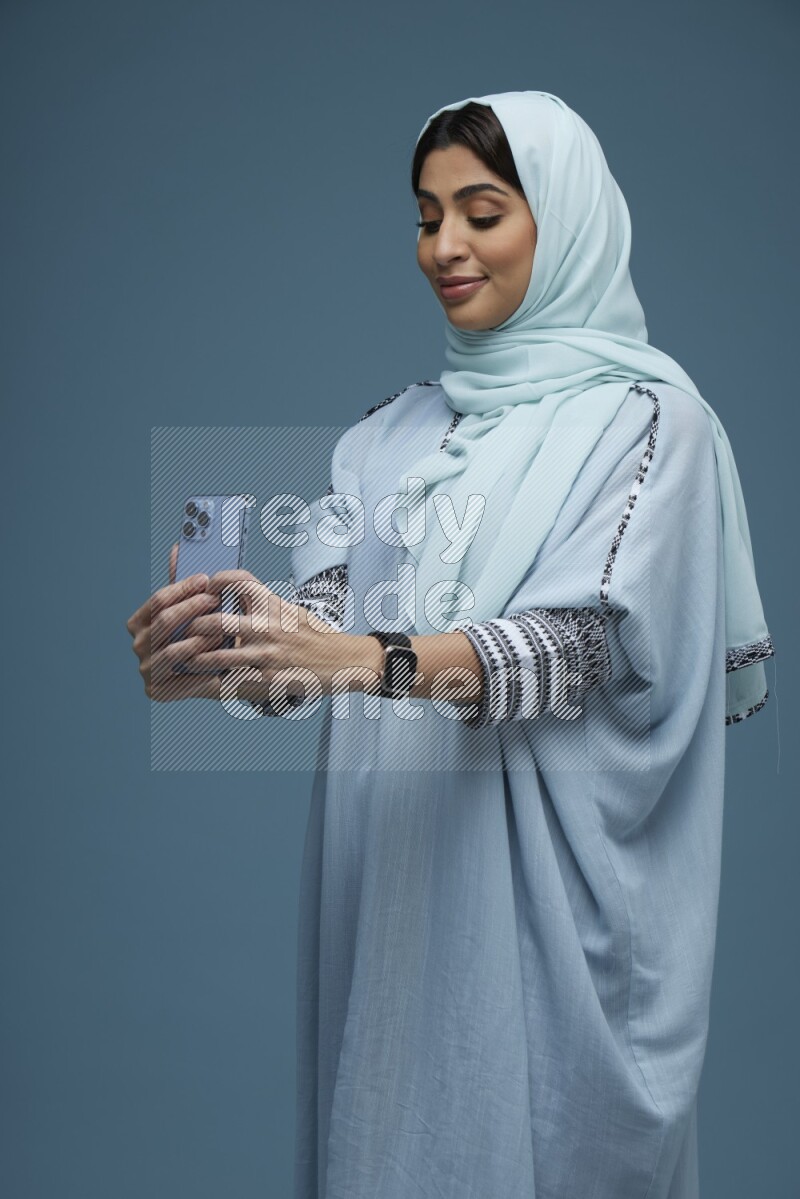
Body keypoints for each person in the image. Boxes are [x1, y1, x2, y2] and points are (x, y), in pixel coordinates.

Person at [127, 91, 774, 1198]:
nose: (444, 246)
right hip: (399, 891)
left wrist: (357, 660)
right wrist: (226, 656)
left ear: (562, 221)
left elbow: (573, 648)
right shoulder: (390, 432)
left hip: (557, 920)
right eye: (426, 216)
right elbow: (320, 628)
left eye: (481, 210)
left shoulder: (649, 422)